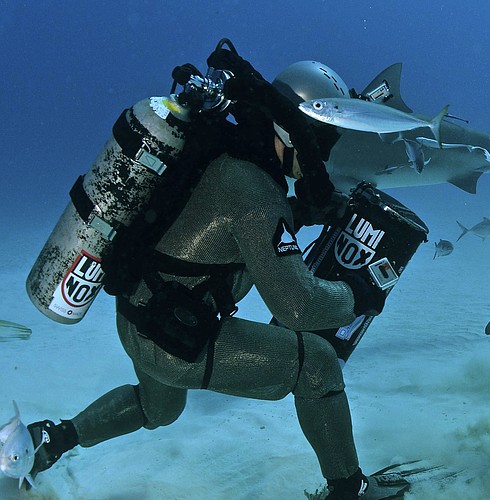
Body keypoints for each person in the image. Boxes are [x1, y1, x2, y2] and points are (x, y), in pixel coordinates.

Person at [25, 46, 408, 499]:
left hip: (135, 316)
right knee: (318, 365)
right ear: (295, 129)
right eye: (322, 140)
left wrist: (297, 213)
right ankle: (350, 490)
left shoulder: (219, 151)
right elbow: (299, 306)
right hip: (173, 340)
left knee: (158, 407)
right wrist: (361, 291)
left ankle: (52, 439)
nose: (322, 155)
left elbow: (214, 225)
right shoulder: (256, 192)